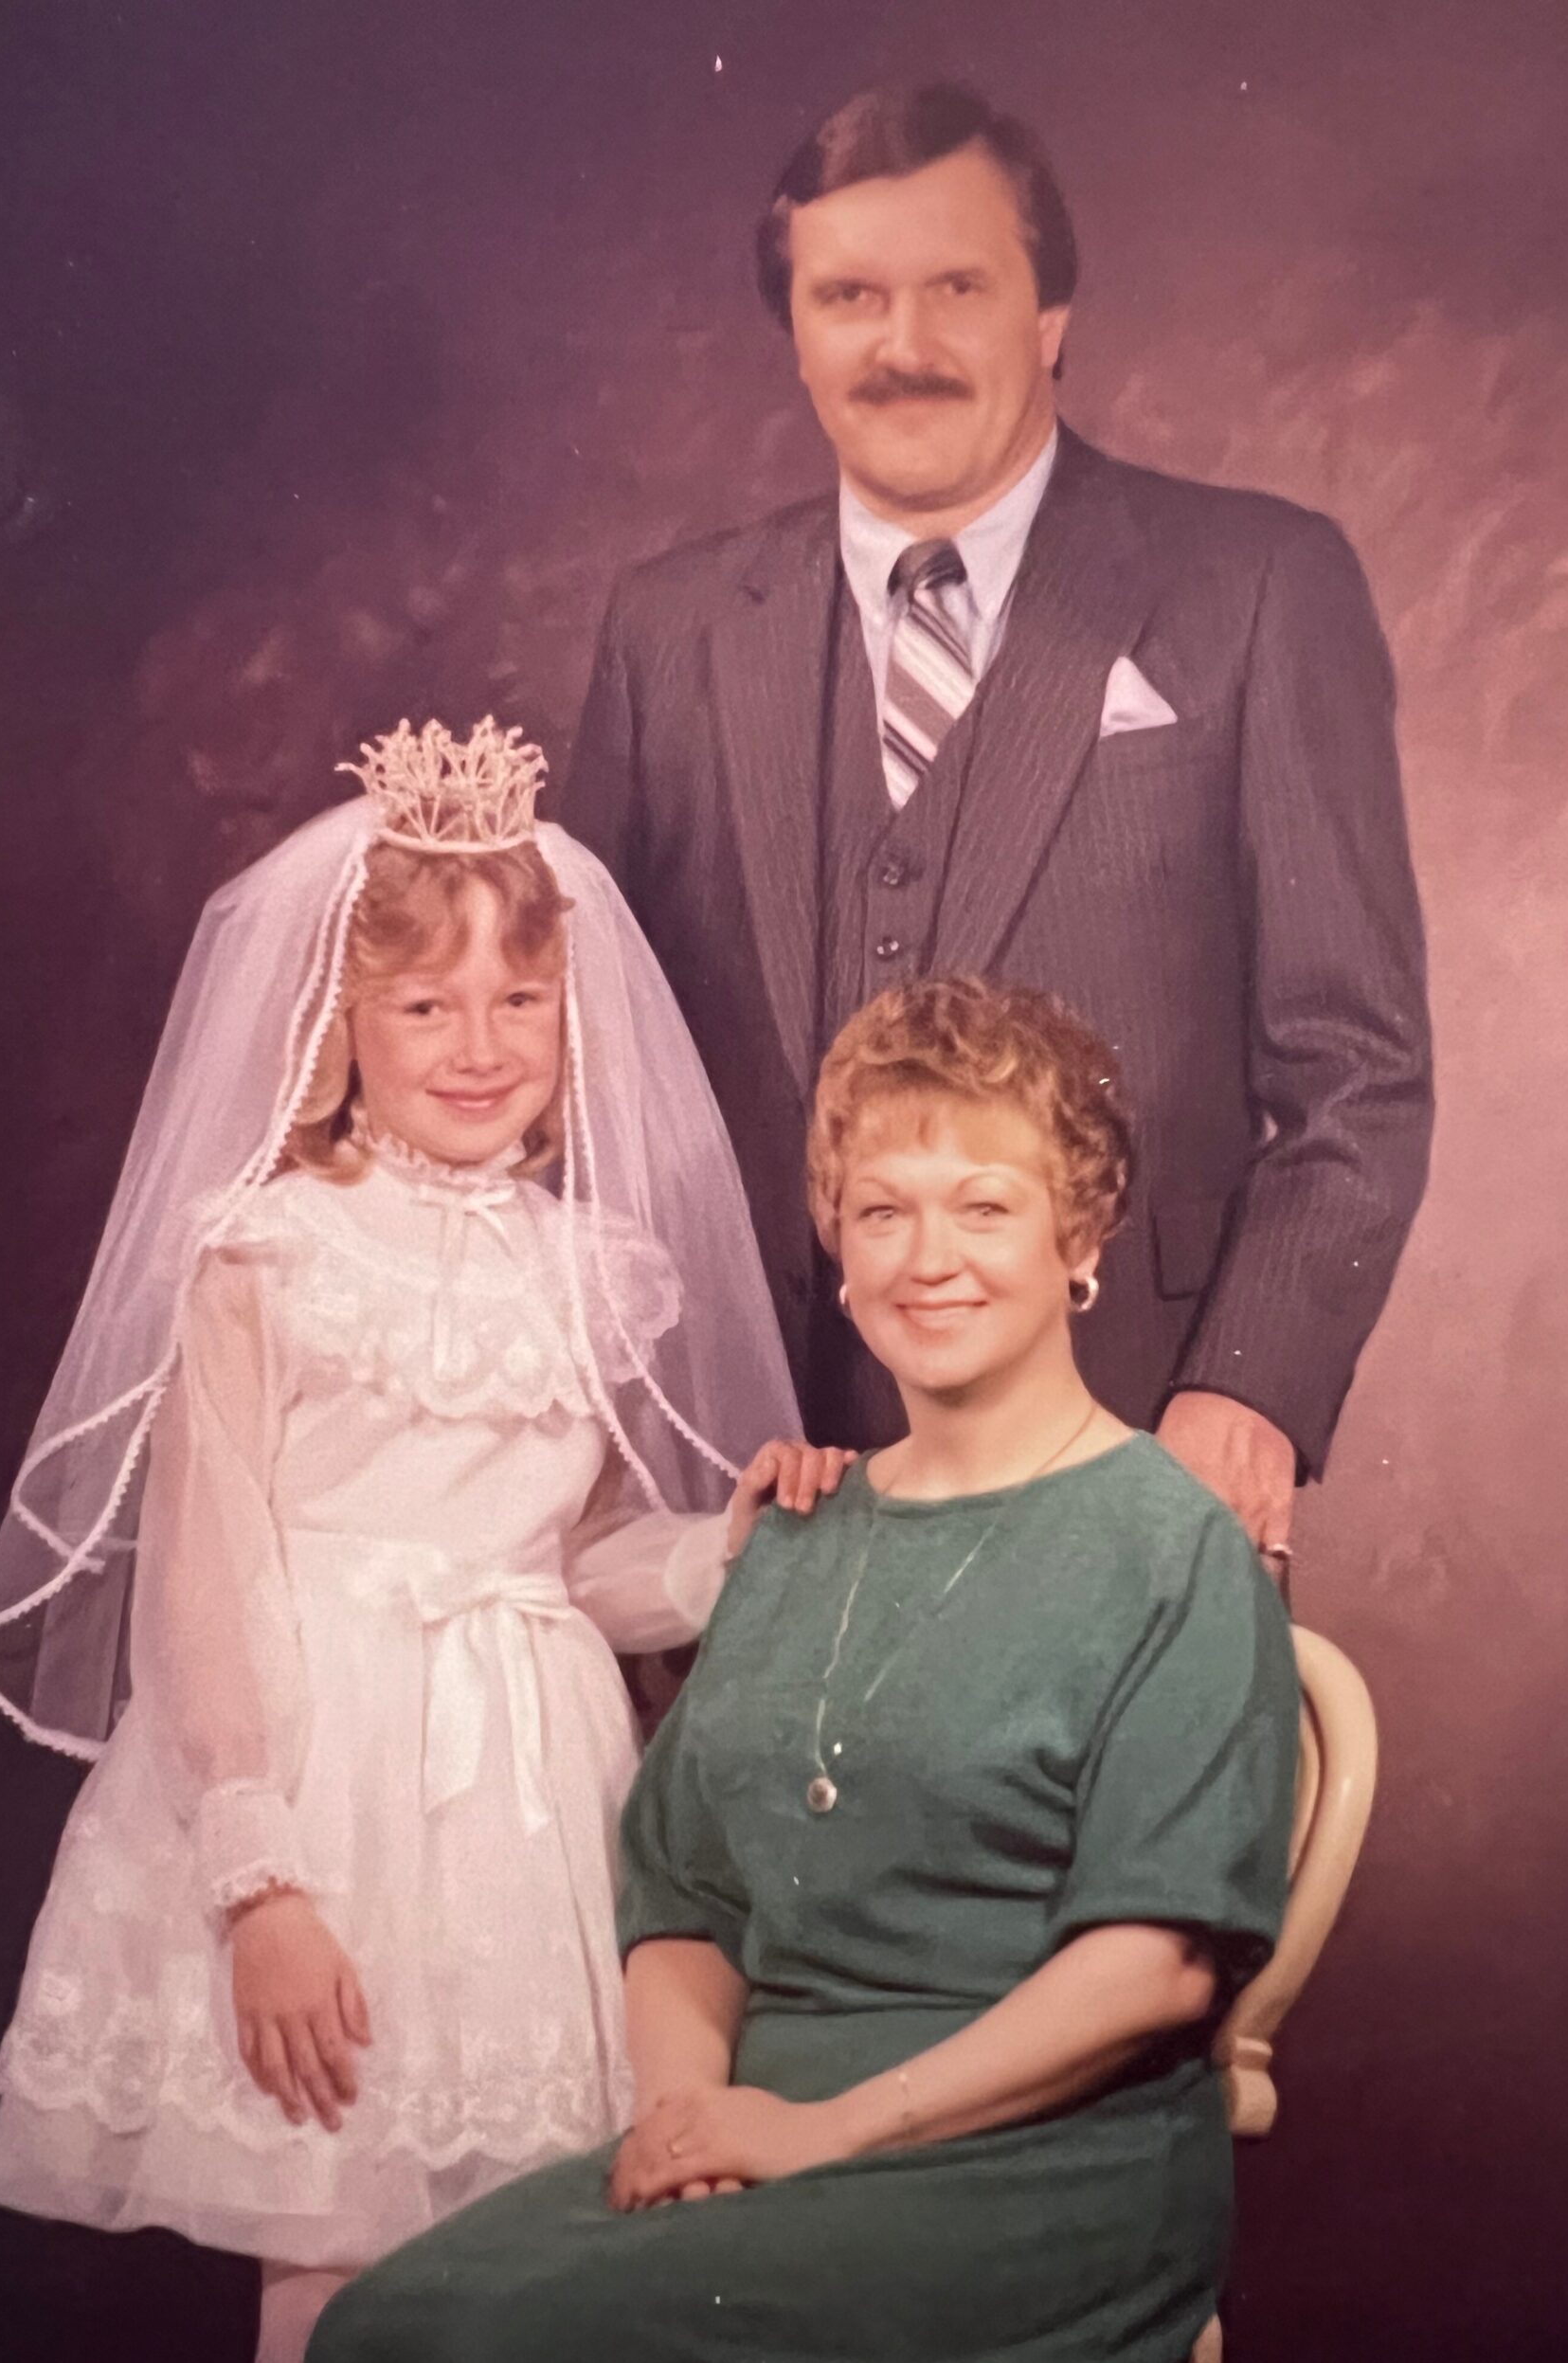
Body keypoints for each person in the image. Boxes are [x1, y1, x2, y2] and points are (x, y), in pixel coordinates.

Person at [0, 719, 831, 2363]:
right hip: (326, 1797)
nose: (478, 1044)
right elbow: (205, 1582)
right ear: (338, 1022)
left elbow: (574, 1568)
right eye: (425, 1004)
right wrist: (259, 1883)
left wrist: (726, 1554)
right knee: (333, 2293)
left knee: (520, 2297)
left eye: (520, 999)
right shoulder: (269, 1252)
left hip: (535, 1809)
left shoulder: (599, 1271)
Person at [297, 975, 1299, 2363]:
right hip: (757, 2133)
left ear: (1079, 1239)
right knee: (384, 2333)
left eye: (985, 1207)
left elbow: (1158, 1969)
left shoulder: (1172, 1549)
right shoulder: (799, 1531)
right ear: (839, 1244)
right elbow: (683, 1896)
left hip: (1034, 2171)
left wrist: (818, 2135)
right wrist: (686, 2118)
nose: (928, 1258)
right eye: (883, 1210)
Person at [567, 79, 1433, 1562]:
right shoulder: (671, 629)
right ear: (797, 332)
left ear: (1051, 318)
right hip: (737, 1497)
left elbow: (1357, 1066)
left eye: (957, 288)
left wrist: (1248, 1391)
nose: (901, 345)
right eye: (850, 296)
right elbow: (577, 1071)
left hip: (1128, 1470)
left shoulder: (1257, 587)